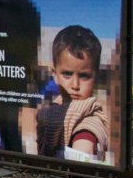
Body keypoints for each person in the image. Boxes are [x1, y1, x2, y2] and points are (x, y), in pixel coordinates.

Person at [18, 25, 109, 162]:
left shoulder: (89, 118)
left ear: (96, 78)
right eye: (67, 74)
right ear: (54, 74)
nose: (75, 85)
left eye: (84, 76)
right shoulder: (50, 111)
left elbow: (84, 148)